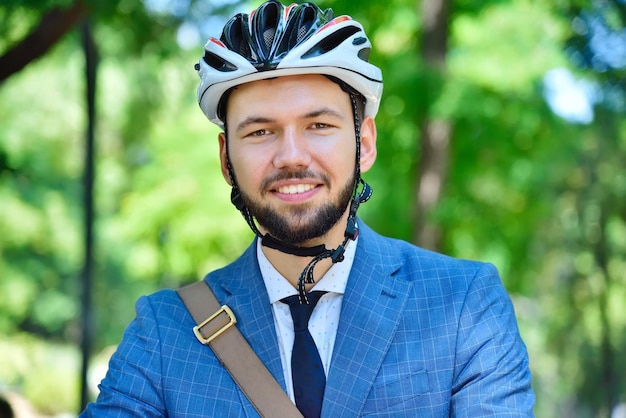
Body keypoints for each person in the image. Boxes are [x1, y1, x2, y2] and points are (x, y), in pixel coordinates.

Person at [81, 0, 535, 416]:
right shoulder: (165, 333)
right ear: (225, 159)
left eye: (318, 125)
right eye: (260, 132)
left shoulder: (464, 306)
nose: (292, 156)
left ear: (366, 144)